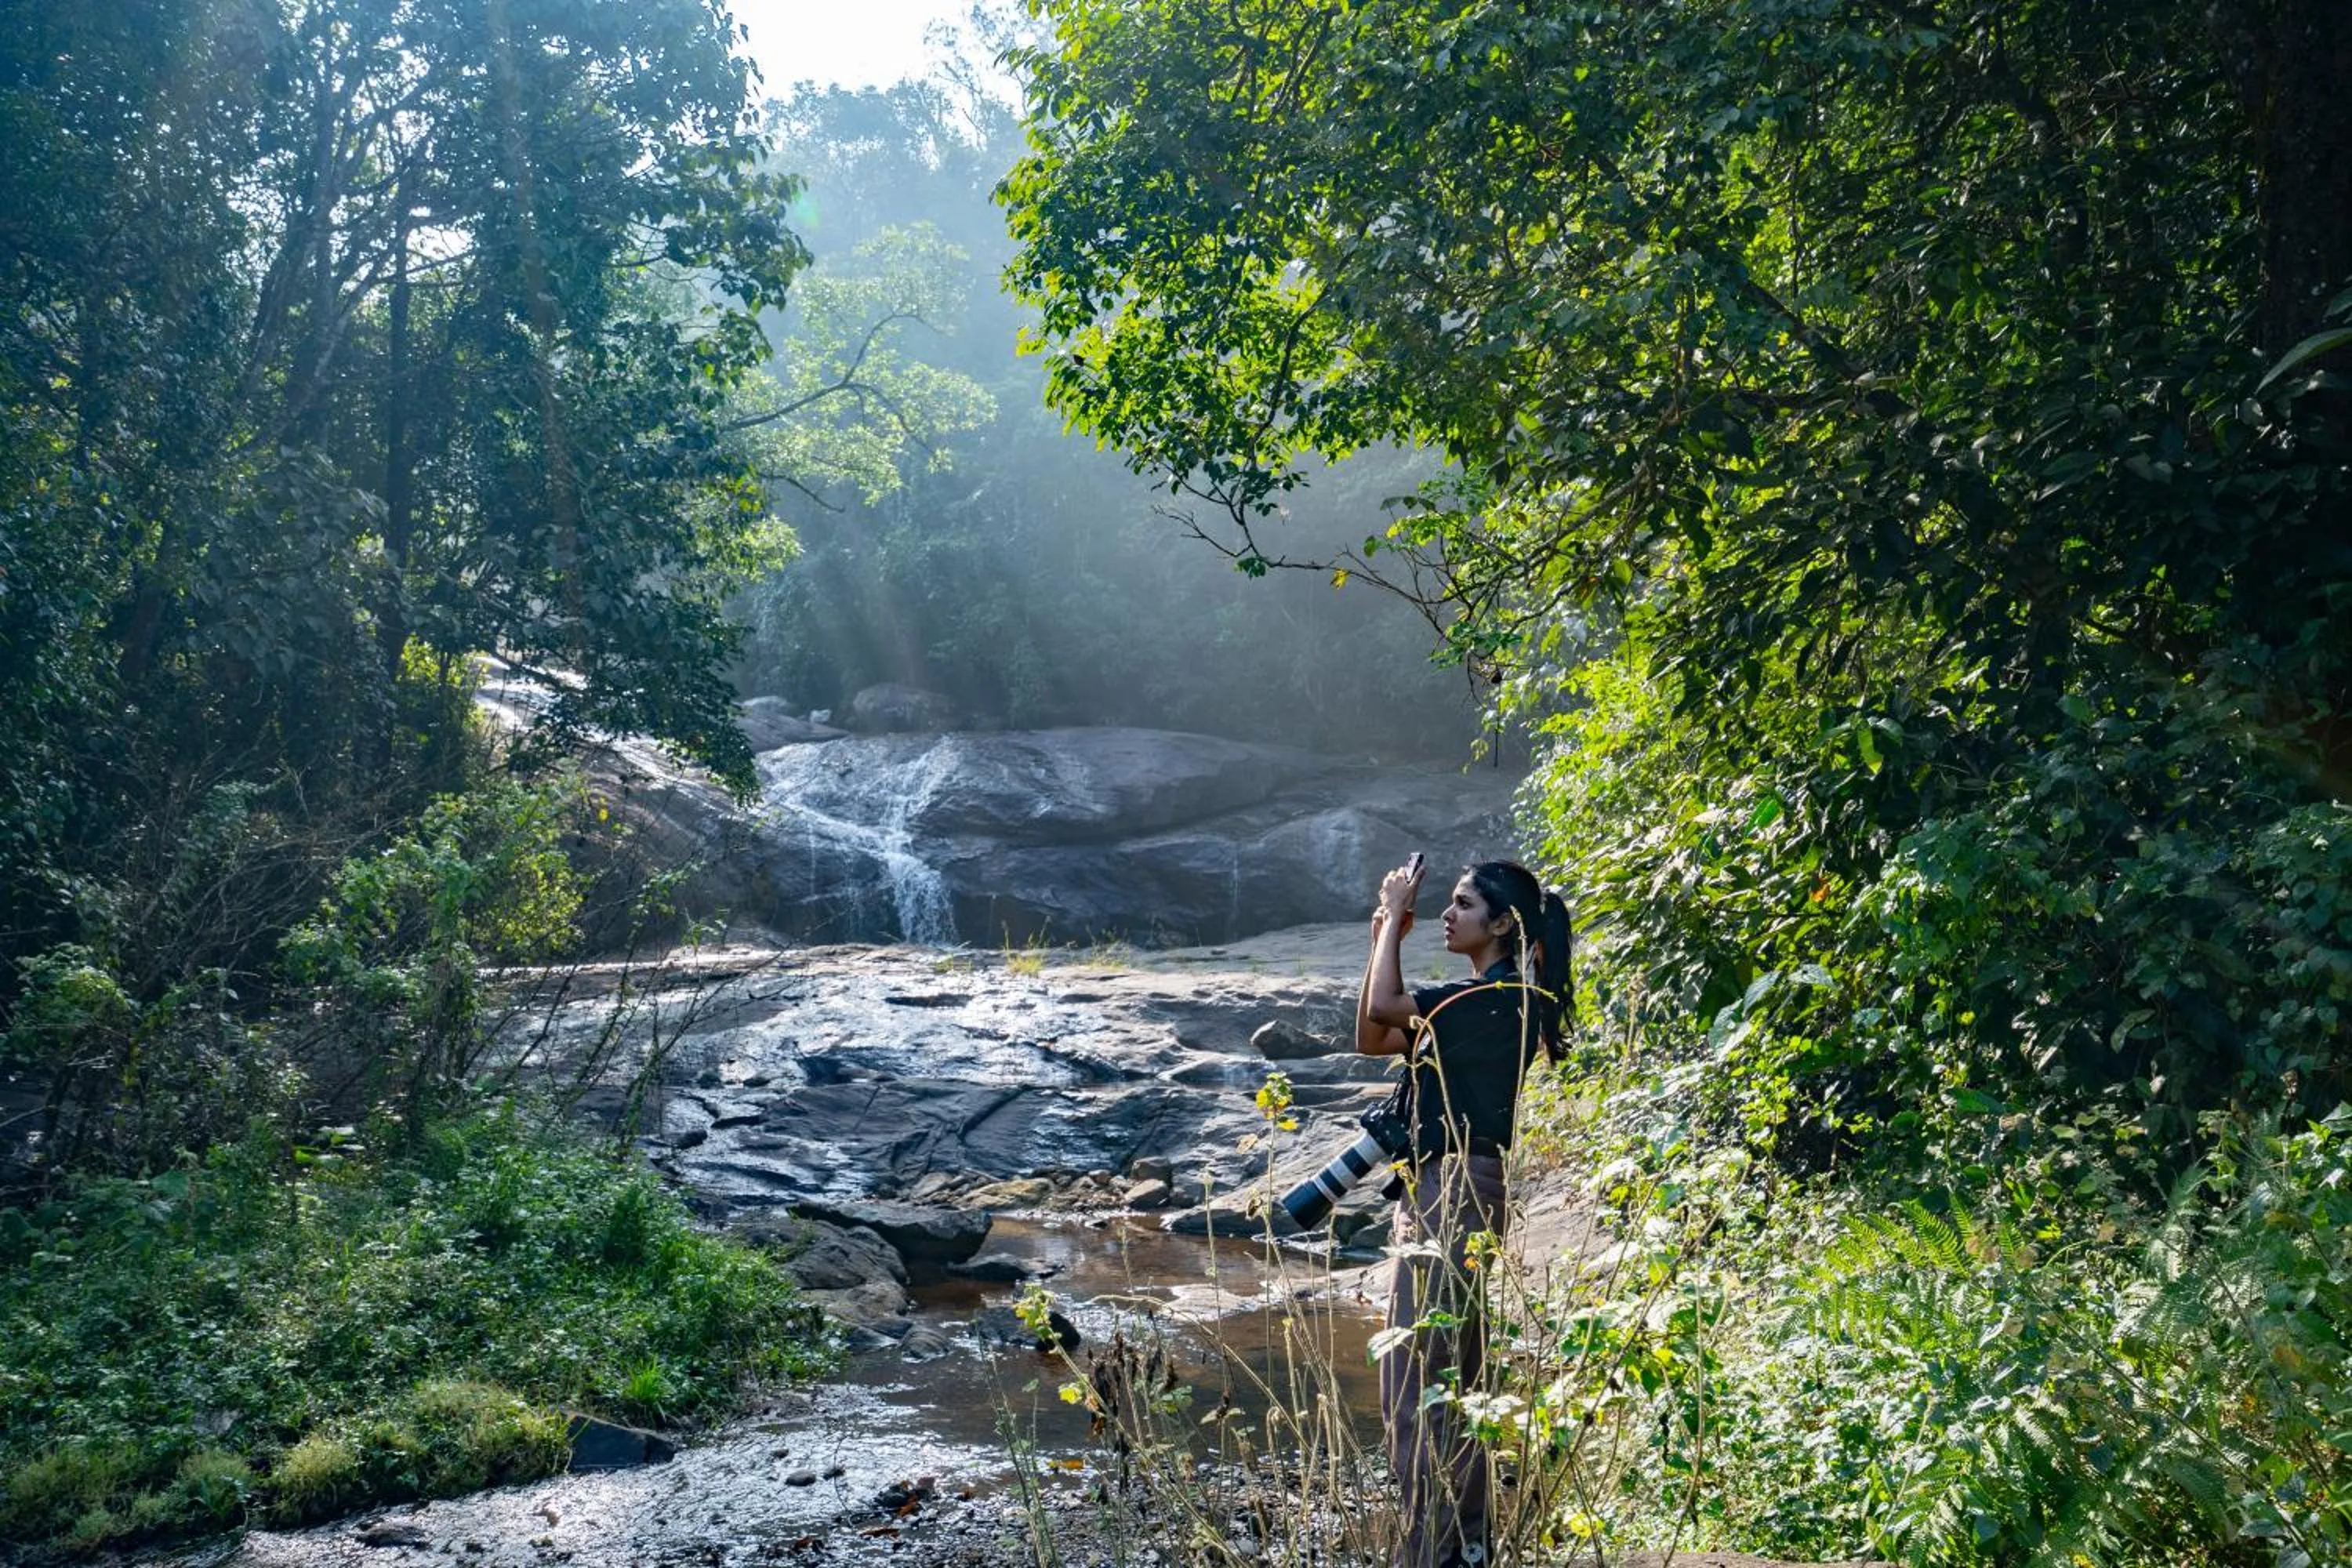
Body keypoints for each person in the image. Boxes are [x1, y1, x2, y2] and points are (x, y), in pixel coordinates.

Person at [1355, 856, 1571, 1568]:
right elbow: (1373, 1037)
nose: (1448, 916)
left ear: (1503, 924)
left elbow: (1387, 1007)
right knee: (1452, 1375)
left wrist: (1394, 917)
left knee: (1416, 1380)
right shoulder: (1487, 1002)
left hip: (1452, 1191)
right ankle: (1463, 1545)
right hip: (1449, 1188)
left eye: (1463, 904)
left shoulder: (1492, 999)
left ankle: (1438, 1550)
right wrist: (1383, 935)